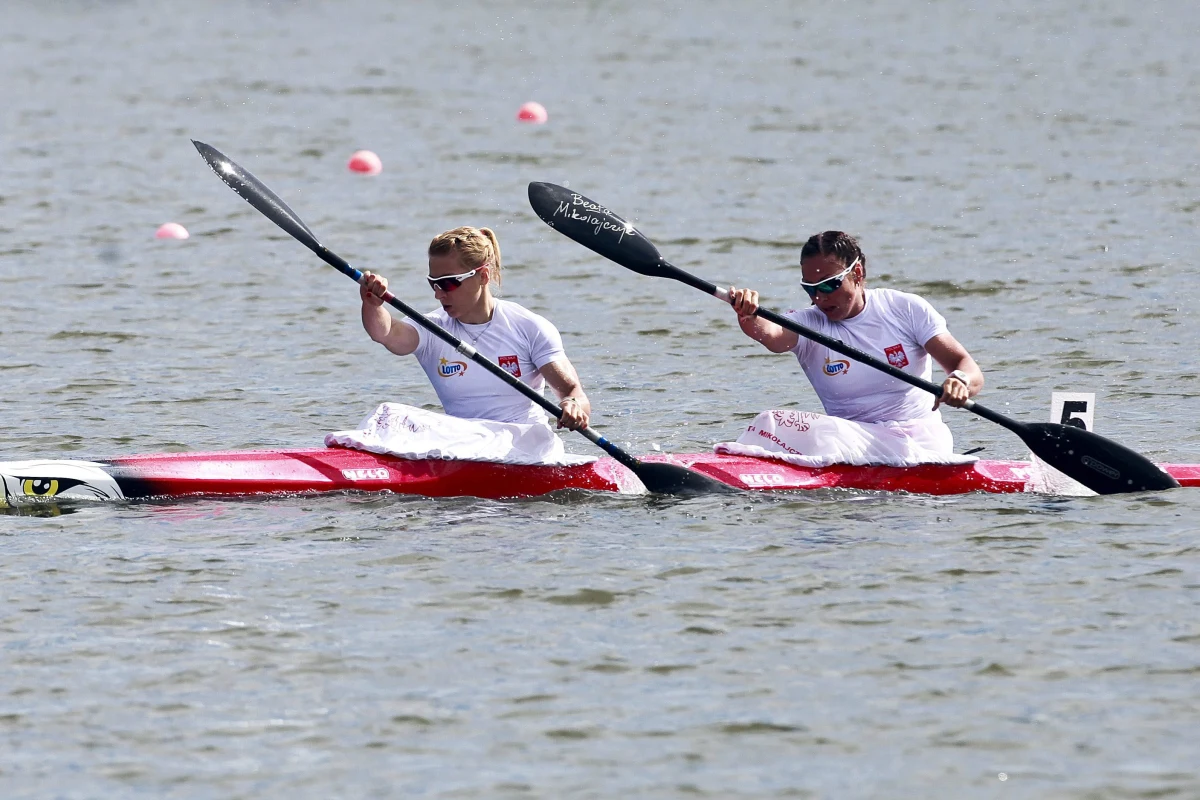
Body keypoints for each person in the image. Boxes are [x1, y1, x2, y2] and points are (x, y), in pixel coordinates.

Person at [723, 230, 983, 463]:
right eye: (809, 289)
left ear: (857, 273)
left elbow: (968, 368)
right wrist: (749, 315)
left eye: (828, 284)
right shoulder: (808, 323)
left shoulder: (905, 309)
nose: (819, 297)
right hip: (853, 442)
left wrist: (959, 381)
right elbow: (772, 334)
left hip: (919, 440)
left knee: (776, 422)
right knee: (771, 423)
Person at [358, 225, 591, 432]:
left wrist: (573, 407)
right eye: (434, 283)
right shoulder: (433, 328)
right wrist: (372, 304)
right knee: (390, 415)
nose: (438, 293)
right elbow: (386, 333)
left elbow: (573, 392)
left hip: (525, 445)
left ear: (483, 276)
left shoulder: (529, 327)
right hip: (464, 442)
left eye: (448, 283)